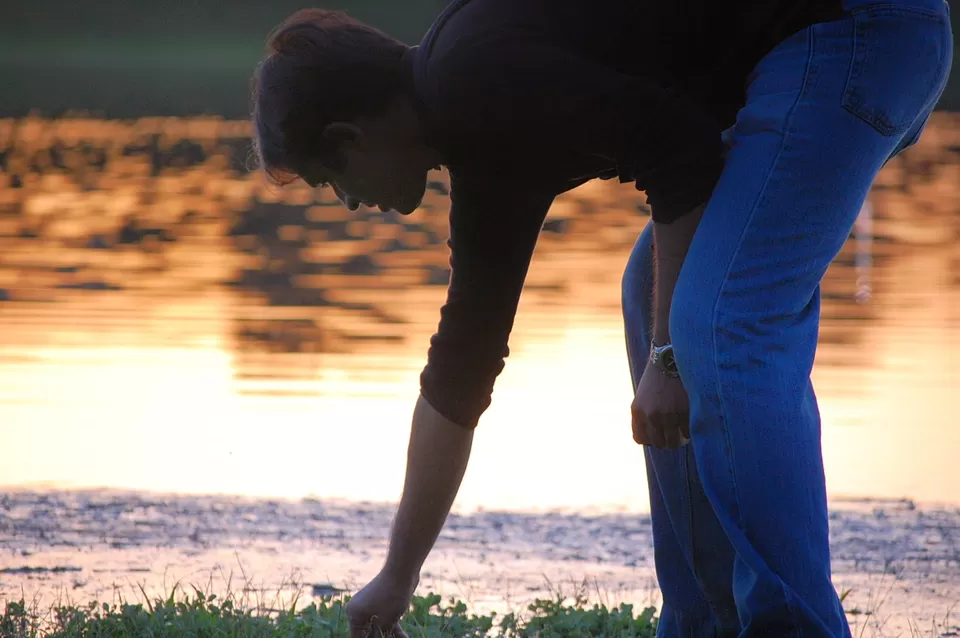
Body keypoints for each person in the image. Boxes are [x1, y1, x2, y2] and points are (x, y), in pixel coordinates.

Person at [249, 0, 953, 635]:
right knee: (649, 293)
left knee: (720, 322)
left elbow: (680, 154)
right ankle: (705, 622)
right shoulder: (475, 134)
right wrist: (395, 583)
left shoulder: (475, 76)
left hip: (855, 30)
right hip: (826, 51)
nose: (345, 201)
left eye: (327, 179)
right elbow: (459, 370)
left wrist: (669, 357)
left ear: (349, 136)